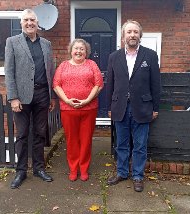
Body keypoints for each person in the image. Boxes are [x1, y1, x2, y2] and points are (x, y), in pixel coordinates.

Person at [106, 20, 161, 192]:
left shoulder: (150, 55)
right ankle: (122, 172)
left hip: (142, 107)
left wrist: (156, 108)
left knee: (139, 145)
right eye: (129, 32)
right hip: (120, 107)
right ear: (123, 36)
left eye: (135, 32)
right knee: (121, 144)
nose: (132, 35)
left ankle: (137, 175)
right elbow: (110, 84)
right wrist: (109, 107)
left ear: (140, 35)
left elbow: (155, 84)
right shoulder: (114, 57)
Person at [4, 8, 56, 189]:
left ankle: (39, 168)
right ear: (21, 23)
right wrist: (13, 98)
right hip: (22, 97)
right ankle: (21, 171)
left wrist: (52, 96)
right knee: (22, 134)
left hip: (42, 94)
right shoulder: (12, 42)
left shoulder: (46, 44)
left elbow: (51, 71)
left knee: (40, 133)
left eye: (32, 20)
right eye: (26, 20)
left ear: (37, 23)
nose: (29, 23)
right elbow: (9, 72)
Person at [53, 38, 103, 182]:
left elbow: (98, 84)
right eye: (76, 48)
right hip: (68, 109)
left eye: (82, 49)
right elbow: (56, 85)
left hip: (89, 109)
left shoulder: (92, 64)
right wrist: (67, 100)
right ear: (71, 51)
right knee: (72, 140)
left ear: (86, 52)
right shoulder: (63, 66)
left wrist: (87, 100)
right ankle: (74, 169)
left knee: (86, 140)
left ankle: (84, 168)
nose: (79, 51)